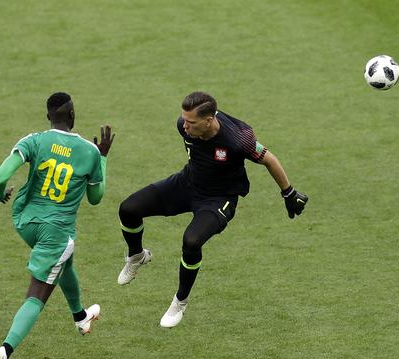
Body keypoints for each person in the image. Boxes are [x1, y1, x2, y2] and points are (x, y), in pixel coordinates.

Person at [117, 91, 308, 328]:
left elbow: (269, 158)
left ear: (209, 120)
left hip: (219, 199)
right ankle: (136, 256)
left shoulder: (239, 140)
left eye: (191, 122)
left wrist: (288, 193)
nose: (185, 126)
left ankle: (180, 301)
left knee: (192, 241)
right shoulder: (183, 125)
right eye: (184, 119)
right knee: (128, 209)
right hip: (187, 184)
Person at [0, 92, 114, 359]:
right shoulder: (89, 151)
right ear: (72, 115)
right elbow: (96, 199)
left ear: (49, 117)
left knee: (63, 262)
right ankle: (5, 351)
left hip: (25, 222)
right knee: (37, 294)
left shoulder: (35, 140)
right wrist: (104, 157)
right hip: (56, 231)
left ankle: (81, 317)